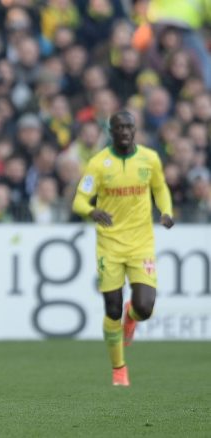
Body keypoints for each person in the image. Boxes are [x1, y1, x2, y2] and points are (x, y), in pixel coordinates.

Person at [72, 111, 174, 387]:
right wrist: (92, 212)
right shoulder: (99, 164)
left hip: (141, 244)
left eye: (130, 126)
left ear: (135, 129)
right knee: (112, 309)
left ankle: (133, 317)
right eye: (120, 127)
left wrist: (165, 211)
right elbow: (79, 201)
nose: (126, 131)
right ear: (111, 131)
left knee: (144, 307)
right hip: (110, 245)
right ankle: (119, 369)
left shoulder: (149, 159)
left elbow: (160, 188)